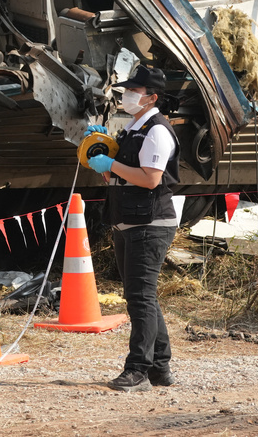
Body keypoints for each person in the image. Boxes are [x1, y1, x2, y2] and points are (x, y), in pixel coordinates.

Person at [85, 64, 180, 393]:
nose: (127, 96)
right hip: (130, 220)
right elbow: (118, 177)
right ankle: (160, 367)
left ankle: (137, 370)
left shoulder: (157, 130)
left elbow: (150, 178)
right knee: (143, 296)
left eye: (134, 92)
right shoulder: (132, 128)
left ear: (151, 97)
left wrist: (110, 164)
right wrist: (100, 151)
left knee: (139, 298)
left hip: (150, 223)